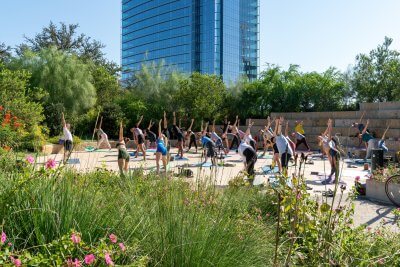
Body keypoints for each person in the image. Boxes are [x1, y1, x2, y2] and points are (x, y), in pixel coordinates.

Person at [321, 119, 341, 184]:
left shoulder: (328, 140)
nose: (323, 136)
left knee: (336, 166)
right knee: (332, 166)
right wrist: (328, 125)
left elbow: (329, 131)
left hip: (335, 153)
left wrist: (330, 125)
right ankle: (332, 174)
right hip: (331, 153)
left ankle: (336, 178)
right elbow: (325, 132)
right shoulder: (324, 140)